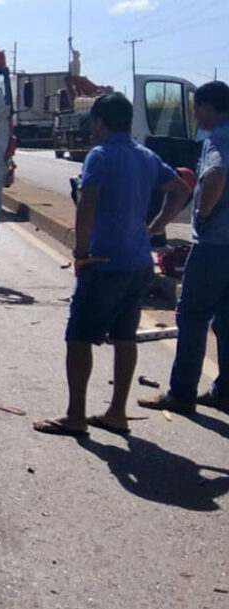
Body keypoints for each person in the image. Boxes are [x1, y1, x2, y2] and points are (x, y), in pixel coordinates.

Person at [33, 93, 191, 437]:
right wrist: (157, 226)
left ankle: (76, 417)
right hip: (138, 262)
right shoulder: (146, 156)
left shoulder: (100, 156)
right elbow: (180, 189)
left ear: (100, 122)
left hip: (104, 263)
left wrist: (81, 252)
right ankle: (117, 412)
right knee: (124, 337)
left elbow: (86, 205)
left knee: (79, 338)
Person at [140, 81, 229, 414]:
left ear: (208, 107)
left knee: (191, 316)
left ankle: (181, 393)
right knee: (226, 320)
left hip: (215, 245)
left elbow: (217, 175)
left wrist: (203, 216)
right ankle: (224, 391)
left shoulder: (218, 139)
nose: (195, 115)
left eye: (196, 108)